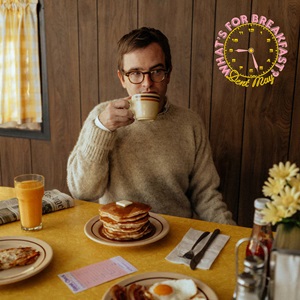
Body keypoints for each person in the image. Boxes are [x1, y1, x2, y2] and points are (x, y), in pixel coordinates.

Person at [67, 27, 235, 225]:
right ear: (122, 78)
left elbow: (206, 195)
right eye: (135, 73)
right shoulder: (102, 117)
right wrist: (102, 129)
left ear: (168, 74)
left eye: (156, 71)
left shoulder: (190, 123)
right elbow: (82, 191)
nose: (147, 83)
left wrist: (231, 238)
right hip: (119, 233)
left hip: (176, 235)